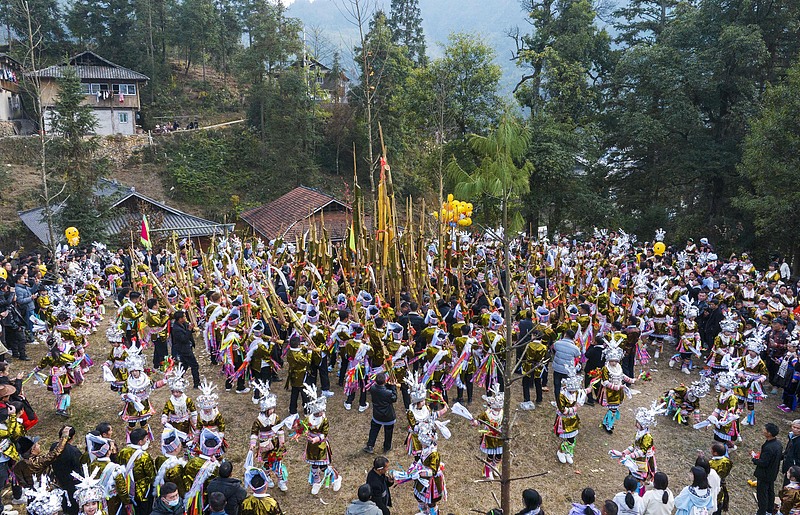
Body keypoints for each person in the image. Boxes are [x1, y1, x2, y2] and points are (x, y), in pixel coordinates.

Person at [12, 425, 73, 504]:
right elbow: (55, 453)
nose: (39, 446)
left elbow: (21, 481)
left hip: (32, 494)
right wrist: (65, 436)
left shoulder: (18, 465)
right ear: (33, 450)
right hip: (45, 493)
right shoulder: (36, 462)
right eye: (37, 445)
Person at [114, 428, 155, 515]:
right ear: (140, 442)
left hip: (127, 487)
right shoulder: (144, 456)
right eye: (145, 439)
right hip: (142, 491)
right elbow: (151, 475)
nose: (146, 440)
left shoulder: (123, 451)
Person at [49, 426, 82, 515]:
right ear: (72, 437)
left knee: (64, 501)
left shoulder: (53, 447)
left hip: (59, 480)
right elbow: (79, 469)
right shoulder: (74, 451)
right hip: (72, 483)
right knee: (73, 505)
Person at [752, 422, 783, 515]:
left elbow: (764, 463)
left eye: (764, 429)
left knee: (762, 494)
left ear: (769, 433)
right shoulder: (778, 444)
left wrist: (754, 459)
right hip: (772, 472)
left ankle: (762, 512)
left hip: (764, 474)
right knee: (770, 491)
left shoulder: (769, 447)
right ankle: (770, 509)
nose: (763, 430)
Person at [364, 373, 397, 454]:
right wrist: (393, 386)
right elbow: (394, 398)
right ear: (385, 381)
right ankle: (387, 447)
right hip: (388, 416)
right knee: (388, 432)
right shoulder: (388, 393)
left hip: (377, 415)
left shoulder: (372, 389)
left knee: (374, 430)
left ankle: (370, 445)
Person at [170, 311, 201, 388]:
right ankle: (196, 384)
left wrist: (194, 328)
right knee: (194, 365)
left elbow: (190, 330)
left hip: (187, 348)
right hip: (184, 349)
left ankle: (179, 380)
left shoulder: (184, 324)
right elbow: (184, 339)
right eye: (183, 317)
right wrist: (189, 330)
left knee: (184, 365)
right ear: (180, 319)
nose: (185, 318)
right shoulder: (176, 329)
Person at [552, 330, 581, 400]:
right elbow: (578, 355)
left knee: (557, 385)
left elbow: (554, 349)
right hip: (568, 370)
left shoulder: (557, 343)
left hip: (557, 368)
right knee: (567, 386)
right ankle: (566, 400)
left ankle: (558, 400)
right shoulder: (575, 348)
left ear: (565, 335)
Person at [708, 443, 732, 514]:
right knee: (718, 502)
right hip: (721, 486)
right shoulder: (727, 461)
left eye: (711, 450)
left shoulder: (711, 463)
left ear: (715, 453)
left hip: (712, 485)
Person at [784, 419, 800, 486]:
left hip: (794, 471)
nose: (795, 429)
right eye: (794, 427)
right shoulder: (791, 436)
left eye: (798, 428)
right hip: (788, 466)